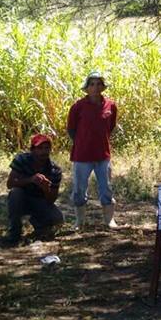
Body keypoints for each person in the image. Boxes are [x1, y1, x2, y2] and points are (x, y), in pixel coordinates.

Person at [67, 71, 118, 228]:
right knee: (79, 189)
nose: (95, 87)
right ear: (87, 87)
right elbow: (71, 129)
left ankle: (109, 220)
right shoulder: (78, 106)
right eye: (92, 84)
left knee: (106, 188)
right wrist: (83, 142)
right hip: (82, 155)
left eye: (99, 84)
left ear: (103, 87)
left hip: (103, 155)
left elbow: (110, 127)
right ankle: (79, 222)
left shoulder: (111, 105)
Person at [4, 134, 64, 244]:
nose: (43, 152)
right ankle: (15, 231)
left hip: (39, 201)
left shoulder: (55, 170)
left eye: (46, 148)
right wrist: (30, 180)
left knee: (58, 219)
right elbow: (10, 184)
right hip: (22, 198)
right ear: (32, 150)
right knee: (15, 193)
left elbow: (51, 200)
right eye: (40, 148)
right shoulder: (21, 160)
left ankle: (38, 224)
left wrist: (46, 188)